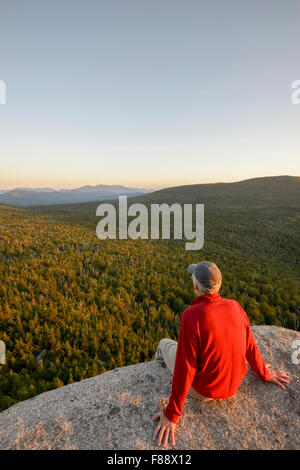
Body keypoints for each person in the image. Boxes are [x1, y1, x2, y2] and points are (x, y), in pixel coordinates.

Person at [152, 261, 291, 448]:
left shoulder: (190, 316)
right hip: (234, 387)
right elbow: (250, 345)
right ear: (219, 285)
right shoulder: (235, 307)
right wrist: (264, 373)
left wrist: (172, 414)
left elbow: (186, 367)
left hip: (205, 390)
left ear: (195, 286)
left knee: (164, 344)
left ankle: (153, 368)